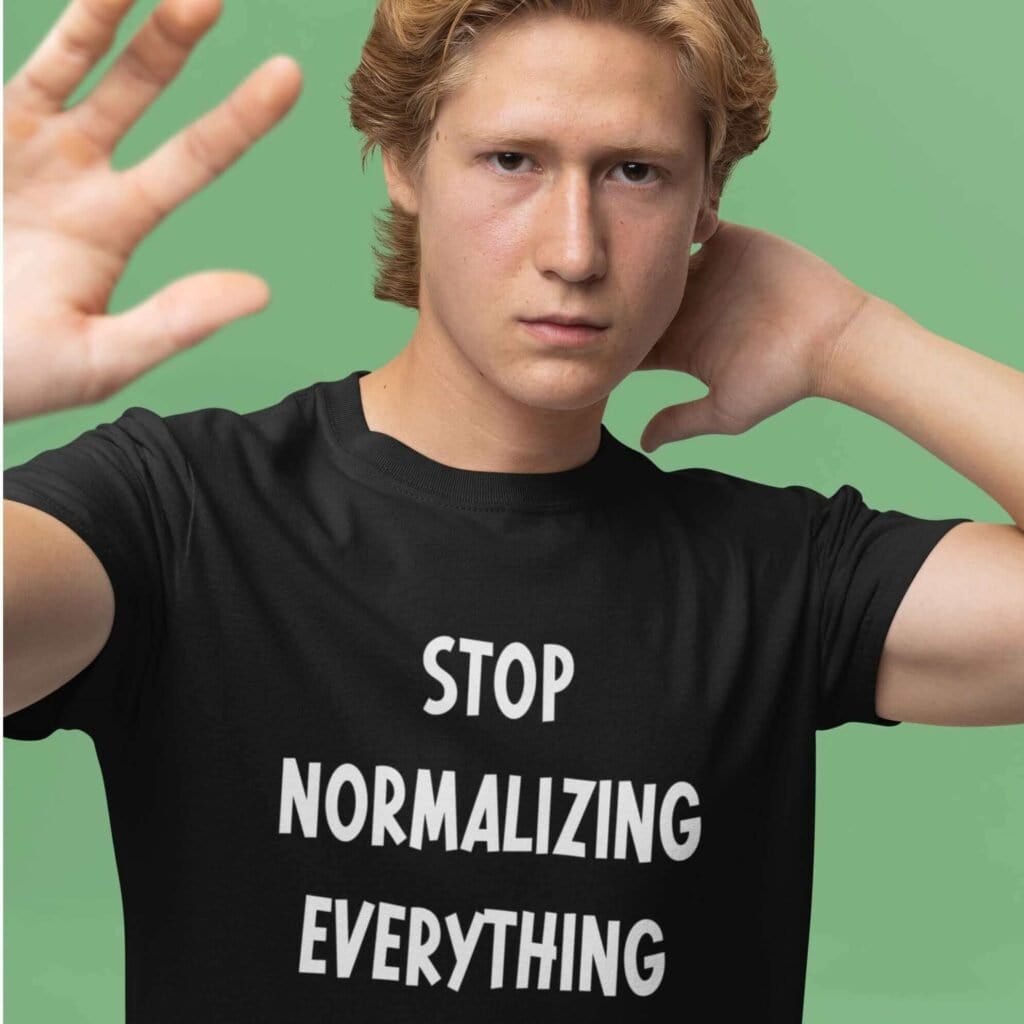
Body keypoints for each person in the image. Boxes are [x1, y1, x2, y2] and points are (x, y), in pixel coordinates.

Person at [4, 0, 1023, 1020]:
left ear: (707, 197)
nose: (574, 251)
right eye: (511, 160)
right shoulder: (179, 514)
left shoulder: (772, 574)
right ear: (404, 161)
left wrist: (851, 338)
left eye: (636, 171)